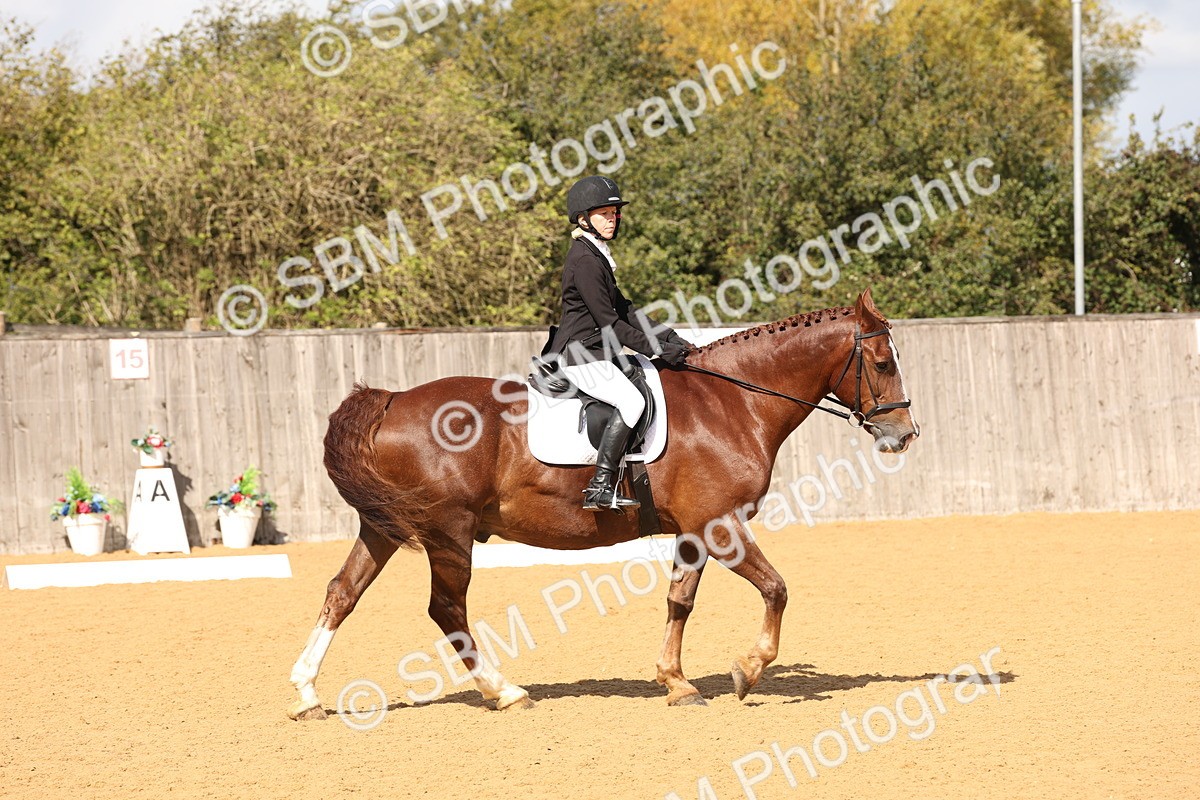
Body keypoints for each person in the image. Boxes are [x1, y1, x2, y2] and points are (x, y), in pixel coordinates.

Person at [544, 175, 694, 511]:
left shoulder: (596, 255)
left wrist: (666, 335)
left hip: (598, 352)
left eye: (614, 213)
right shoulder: (584, 260)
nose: (612, 219)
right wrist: (656, 350)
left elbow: (625, 309)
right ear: (584, 219)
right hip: (582, 355)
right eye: (603, 214)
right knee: (632, 402)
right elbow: (609, 323)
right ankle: (600, 486)